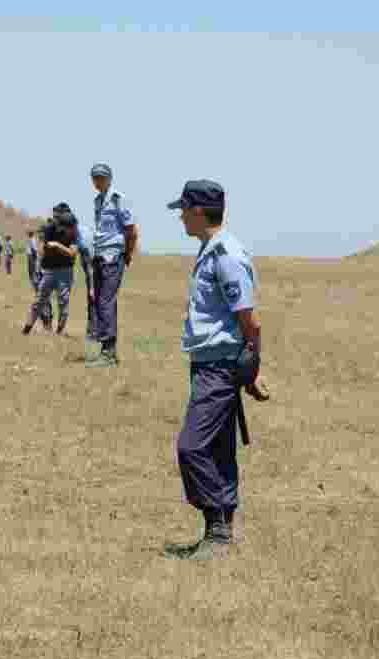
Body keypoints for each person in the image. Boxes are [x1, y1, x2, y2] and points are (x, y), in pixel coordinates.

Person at [162, 179, 269, 561]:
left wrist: (251, 369)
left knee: (192, 446)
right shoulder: (212, 250)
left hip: (220, 368)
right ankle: (225, 532)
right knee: (220, 449)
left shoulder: (226, 255)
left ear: (197, 211)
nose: (179, 218)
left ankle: (217, 530)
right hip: (210, 363)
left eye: (183, 211)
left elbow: (250, 322)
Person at [86, 163, 138, 368]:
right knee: (99, 301)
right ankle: (107, 350)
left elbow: (131, 230)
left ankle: (108, 353)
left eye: (101, 177)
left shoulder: (119, 199)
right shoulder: (98, 201)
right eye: (95, 178)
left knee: (106, 301)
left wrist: (128, 254)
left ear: (109, 178)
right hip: (99, 255)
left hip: (113, 256)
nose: (98, 181)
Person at [23, 211, 79, 336]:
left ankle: (58, 333)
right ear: (62, 227)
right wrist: (40, 267)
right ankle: (26, 329)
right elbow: (42, 249)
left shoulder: (74, 233)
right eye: (71, 228)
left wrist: (57, 246)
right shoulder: (50, 230)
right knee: (39, 301)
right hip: (49, 271)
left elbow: (73, 253)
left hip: (65, 271)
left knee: (63, 303)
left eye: (73, 228)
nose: (73, 230)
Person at [52, 202, 95, 342]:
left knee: (94, 297)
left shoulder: (83, 238)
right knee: (93, 298)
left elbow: (89, 267)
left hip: (98, 266)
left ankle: (95, 333)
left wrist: (92, 287)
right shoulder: (75, 231)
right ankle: (92, 332)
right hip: (89, 264)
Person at [26, 228, 53, 327]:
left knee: (44, 299)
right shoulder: (39, 246)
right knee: (41, 298)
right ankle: (45, 321)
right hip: (39, 275)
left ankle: (47, 321)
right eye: (39, 234)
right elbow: (37, 261)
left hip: (45, 275)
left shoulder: (48, 246)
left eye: (42, 234)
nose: (40, 236)